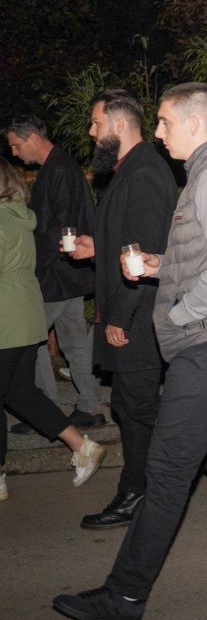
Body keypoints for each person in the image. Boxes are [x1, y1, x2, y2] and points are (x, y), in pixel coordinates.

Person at [53, 82, 207, 620]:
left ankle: (124, 594)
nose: (159, 133)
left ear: (194, 123)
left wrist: (179, 314)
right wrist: (157, 264)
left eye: (165, 122)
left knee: (167, 470)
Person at [66, 90, 177, 529]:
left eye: (95, 124)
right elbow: (130, 241)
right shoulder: (129, 170)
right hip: (132, 314)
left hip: (138, 317)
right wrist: (98, 247)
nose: (92, 133)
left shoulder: (145, 172)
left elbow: (148, 255)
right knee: (135, 409)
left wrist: (120, 317)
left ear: (117, 125)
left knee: (137, 409)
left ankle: (139, 491)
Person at [0, 160, 107, 502]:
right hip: (26, 311)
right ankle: (82, 445)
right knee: (20, 393)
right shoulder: (18, 214)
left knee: (15, 392)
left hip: (5, 317)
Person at [5, 117, 104, 429]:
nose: (14, 153)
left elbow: (59, 227)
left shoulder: (58, 169)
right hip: (66, 273)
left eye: (16, 145)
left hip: (57, 273)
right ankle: (88, 406)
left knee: (31, 339)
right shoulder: (57, 167)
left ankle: (43, 410)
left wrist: (31, 264)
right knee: (72, 341)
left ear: (33, 137)